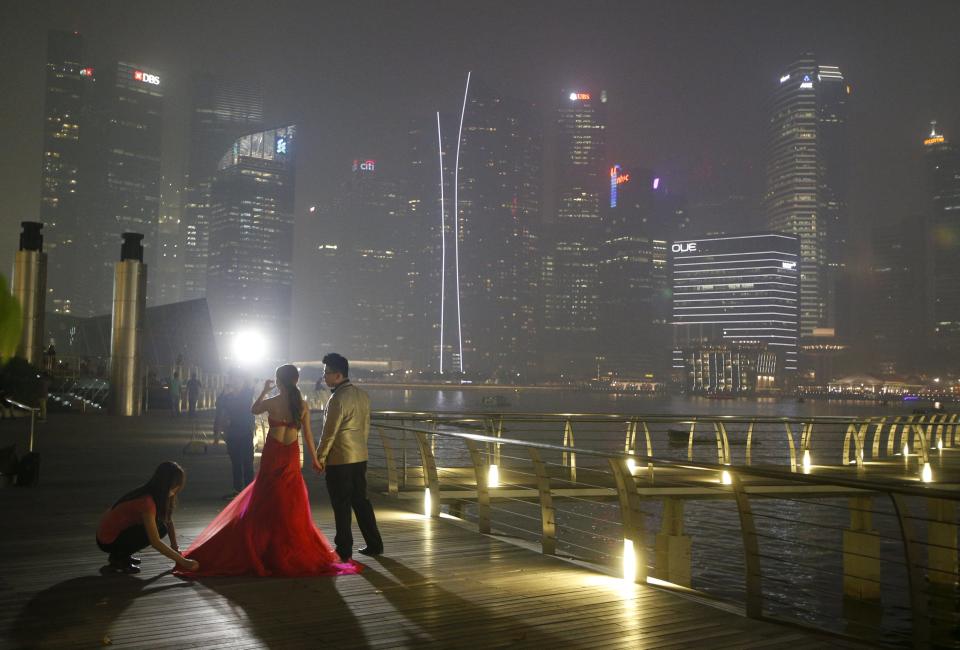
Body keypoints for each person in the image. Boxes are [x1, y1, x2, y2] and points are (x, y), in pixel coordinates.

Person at [175, 364, 360, 577]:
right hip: (290, 453)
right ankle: (280, 543)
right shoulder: (302, 404)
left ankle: (265, 542)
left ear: (279, 381)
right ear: (296, 381)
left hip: (273, 453)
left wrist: (264, 390)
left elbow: (254, 409)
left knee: (267, 496)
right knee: (288, 500)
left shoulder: (272, 401)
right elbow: (308, 436)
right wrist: (316, 459)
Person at [315, 353, 383, 561]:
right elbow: (365, 427)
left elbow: (329, 432)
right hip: (359, 456)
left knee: (341, 504)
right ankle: (375, 543)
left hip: (340, 459)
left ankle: (344, 548)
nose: (323, 377)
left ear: (337, 375)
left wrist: (320, 457)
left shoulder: (337, 399)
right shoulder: (362, 395)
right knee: (361, 501)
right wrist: (361, 448)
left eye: (325, 373)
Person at [96, 461, 199, 574]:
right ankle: (118, 558)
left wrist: (175, 547)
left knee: (162, 527)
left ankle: (122, 554)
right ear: (164, 485)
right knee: (154, 530)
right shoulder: (147, 501)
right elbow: (155, 541)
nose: (174, 492)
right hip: (107, 540)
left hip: (117, 534)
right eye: (173, 488)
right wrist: (184, 562)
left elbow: (168, 520)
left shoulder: (156, 493)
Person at [214, 372, 256, 497]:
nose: (236, 382)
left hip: (246, 433)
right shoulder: (226, 397)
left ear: (244, 382)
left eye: (239, 379)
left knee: (248, 462)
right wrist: (217, 433)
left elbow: (251, 383)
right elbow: (220, 414)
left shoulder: (247, 394)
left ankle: (249, 490)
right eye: (234, 379)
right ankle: (237, 489)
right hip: (232, 434)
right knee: (236, 462)